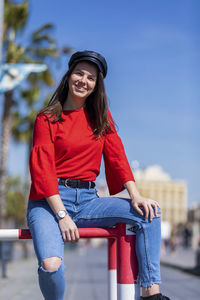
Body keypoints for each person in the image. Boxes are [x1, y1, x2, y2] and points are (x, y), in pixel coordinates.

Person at [26, 50, 170, 300]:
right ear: (69, 76)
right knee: (51, 266)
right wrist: (61, 215)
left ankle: (151, 293)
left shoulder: (101, 119)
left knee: (150, 214)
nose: (83, 80)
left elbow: (117, 156)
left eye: (90, 77)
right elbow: (42, 169)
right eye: (79, 73)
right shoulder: (47, 118)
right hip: (49, 203)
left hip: (89, 202)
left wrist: (135, 196)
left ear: (96, 85)